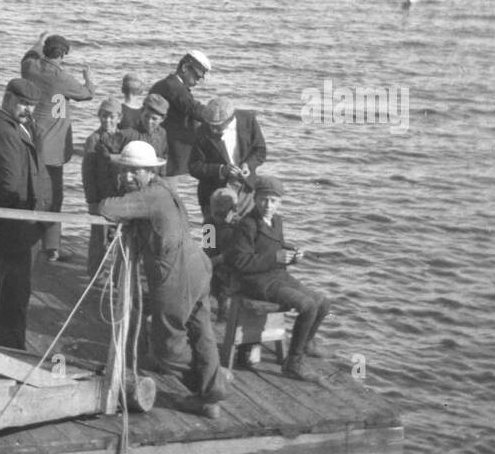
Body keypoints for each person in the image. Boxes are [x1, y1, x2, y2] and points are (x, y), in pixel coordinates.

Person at [99, 140, 230, 419]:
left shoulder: (150, 196)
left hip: (176, 274)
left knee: (166, 347)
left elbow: (107, 208)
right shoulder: (163, 188)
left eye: (134, 172)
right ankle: (212, 391)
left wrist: (123, 201)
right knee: (201, 331)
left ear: (149, 171)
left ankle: (208, 391)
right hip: (198, 266)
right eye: (124, 171)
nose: (127, 177)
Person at [0, 77, 49, 350]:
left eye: (32, 105)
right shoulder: (5, 132)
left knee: (4, 286)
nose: (28, 110)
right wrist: (9, 219)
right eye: (23, 103)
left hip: (9, 224)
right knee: (15, 292)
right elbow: (12, 184)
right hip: (15, 224)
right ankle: (12, 351)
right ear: (7, 98)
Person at [224, 174, 331, 382]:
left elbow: (276, 246)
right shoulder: (247, 225)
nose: (268, 205)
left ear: (280, 203)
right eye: (264, 199)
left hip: (277, 275)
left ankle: (306, 344)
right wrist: (277, 257)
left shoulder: (276, 221)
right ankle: (293, 362)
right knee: (307, 305)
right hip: (255, 282)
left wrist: (292, 254)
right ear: (255, 199)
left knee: (323, 302)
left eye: (273, 201)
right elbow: (241, 263)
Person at [22, 33, 94, 262]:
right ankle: (51, 247)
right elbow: (87, 94)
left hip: (31, 141)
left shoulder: (30, 68)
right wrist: (88, 77)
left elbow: (29, 54)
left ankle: (29, 240)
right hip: (53, 149)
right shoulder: (62, 78)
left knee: (31, 193)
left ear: (45, 51)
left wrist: (39, 39)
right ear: (62, 55)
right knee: (54, 196)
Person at [188, 96, 267, 217]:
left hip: (245, 188)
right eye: (210, 124)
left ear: (230, 119)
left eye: (217, 126)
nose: (213, 130)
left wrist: (248, 165)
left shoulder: (248, 120)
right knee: (210, 230)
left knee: (245, 230)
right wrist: (221, 170)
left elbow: (260, 150)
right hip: (213, 192)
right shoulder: (201, 132)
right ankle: (210, 236)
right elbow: (194, 166)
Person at [149, 51, 212, 178]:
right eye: (197, 76)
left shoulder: (169, 85)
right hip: (172, 153)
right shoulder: (174, 87)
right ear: (184, 68)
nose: (198, 81)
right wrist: (218, 114)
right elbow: (193, 109)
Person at [80, 97, 123, 274]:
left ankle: (117, 273)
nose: (108, 120)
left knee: (119, 237)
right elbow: (87, 174)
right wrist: (92, 200)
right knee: (99, 238)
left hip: (119, 196)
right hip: (100, 196)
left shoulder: (124, 138)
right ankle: (95, 273)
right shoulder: (93, 140)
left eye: (112, 117)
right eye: (104, 116)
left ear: (119, 118)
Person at [111, 91, 169, 161]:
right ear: (141, 111)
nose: (149, 121)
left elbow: (163, 158)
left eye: (154, 119)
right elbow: (107, 153)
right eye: (146, 116)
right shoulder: (128, 134)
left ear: (162, 119)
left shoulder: (161, 133)